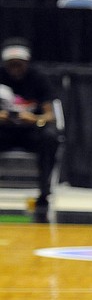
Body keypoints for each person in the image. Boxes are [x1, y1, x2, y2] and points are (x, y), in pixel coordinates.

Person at [0, 38, 61, 213]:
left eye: (19, 65)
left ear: (26, 63)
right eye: (11, 65)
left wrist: (33, 119)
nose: (15, 69)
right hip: (4, 130)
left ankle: (44, 191)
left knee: (50, 136)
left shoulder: (38, 78)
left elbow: (50, 116)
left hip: (30, 131)